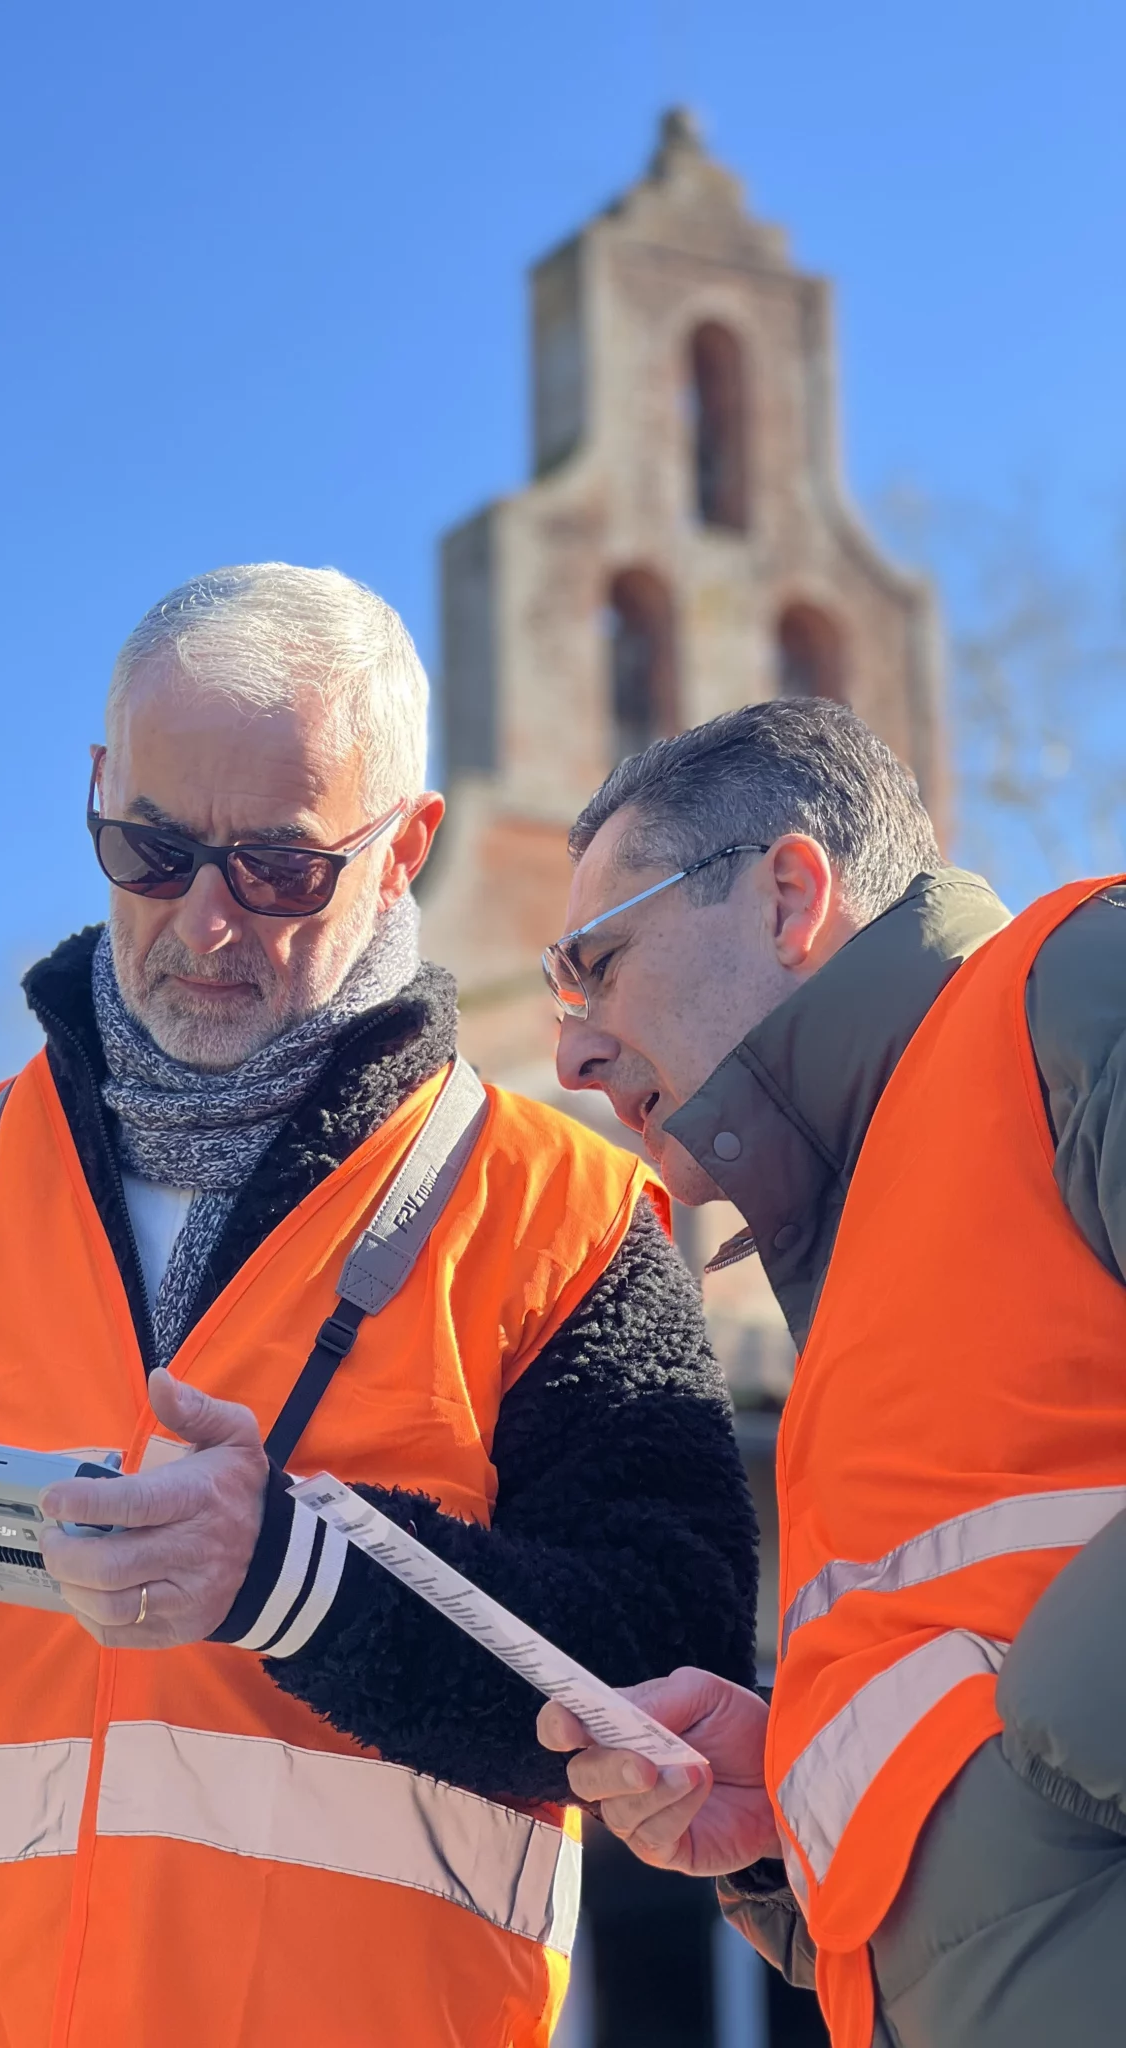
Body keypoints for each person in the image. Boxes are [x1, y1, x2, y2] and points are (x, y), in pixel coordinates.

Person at [0, 564, 758, 2048]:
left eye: (280, 867)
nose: (207, 923)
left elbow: (664, 1671)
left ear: (406, 845)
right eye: (149, 849)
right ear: (97, 794)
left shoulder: (567, 1215)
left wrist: (304, 1582)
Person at [534, 696, 1126, 2048]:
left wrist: (1026, 1773)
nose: (569, 1052)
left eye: (599, 963)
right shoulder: (864, 1269)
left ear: (790, 894)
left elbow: (1040, 1770)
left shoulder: (1079, 989)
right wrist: (797, 1796)